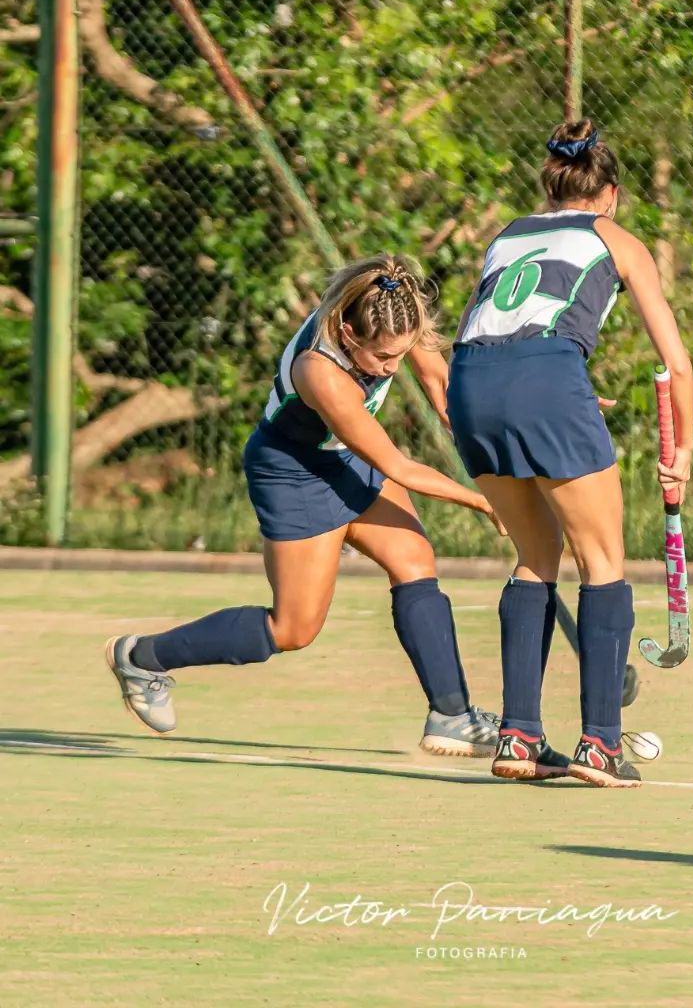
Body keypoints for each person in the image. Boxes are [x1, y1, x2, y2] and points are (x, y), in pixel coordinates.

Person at [107, 255, 505, 757]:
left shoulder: (393, 312)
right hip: (293, 472)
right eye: (382, 358)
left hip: (343, 457)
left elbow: (443, 391)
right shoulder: (321, 372)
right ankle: (142, 656)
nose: (390, 368)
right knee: (292, 629)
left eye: (400, 355)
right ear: (347, 331)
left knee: (414, 563)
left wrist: (504, 441)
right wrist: (485, 503)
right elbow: (397, 465)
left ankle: (451, 715)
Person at [446, 119, 693, 788]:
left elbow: (503, 332)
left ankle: (519, 738)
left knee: (534, 559)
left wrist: (564, 391)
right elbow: (675, 363)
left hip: (471, 386)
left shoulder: (506, 236)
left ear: (548, 185)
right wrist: (686, 450)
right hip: (547, 385)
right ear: (608, 194)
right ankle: (599, 746)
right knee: (602, 561)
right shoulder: (615, 239)